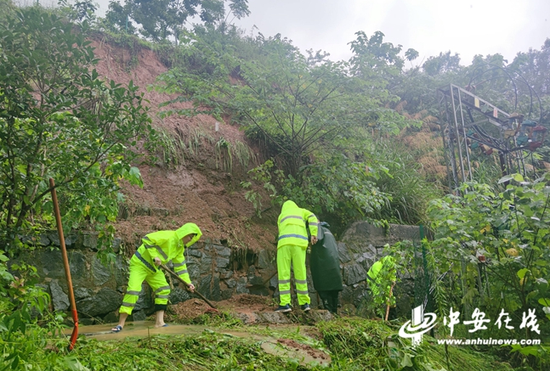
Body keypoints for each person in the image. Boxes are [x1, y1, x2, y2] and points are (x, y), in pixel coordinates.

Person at [111, 223, 202, 332]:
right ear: (184, 233)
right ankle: (120, 324)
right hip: (140, 264)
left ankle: (159, 322)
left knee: (163, 289)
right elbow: (147, 239)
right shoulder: (168, 236)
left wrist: (188, 283)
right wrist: (155, 256)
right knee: (133, 291)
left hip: (154, 269)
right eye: (189, 236)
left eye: (192, 238)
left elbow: (181, 268)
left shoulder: (179, 249)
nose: (190, 239)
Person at [275, 200, 320, 312]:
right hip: (299, 244)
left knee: (283, 273)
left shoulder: (281, 216)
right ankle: (304, 304)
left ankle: (285, 304)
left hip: (284, 244)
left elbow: (281, 230)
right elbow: (313, 218)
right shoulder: (301, 211)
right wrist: (313, 233)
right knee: (300, 273)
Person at [310, 222, 343, 314]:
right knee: (334, 290)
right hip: (333, 263)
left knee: (323, 288)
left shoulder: (318, 228)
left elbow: (317, 239)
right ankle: (334, 312)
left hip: (322, 263)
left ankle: (328, 311)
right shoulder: (329, 231)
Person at [367, 255, 397, 320]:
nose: (391, 270)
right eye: (390, 269)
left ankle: (392, 317)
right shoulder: (377, 267)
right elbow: (379, 284)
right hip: (373, 281)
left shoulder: (392, 266)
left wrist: (393, 280)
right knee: (378, 296)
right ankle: (378, 315)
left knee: (391, 298)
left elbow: (392, 275)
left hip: (384, 281)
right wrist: (386, 297)